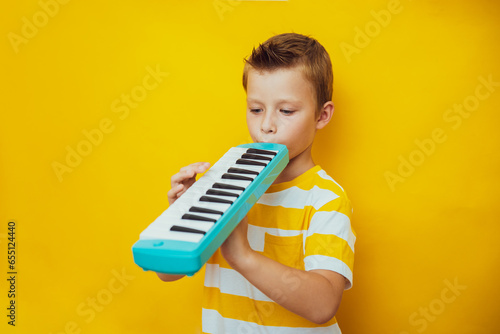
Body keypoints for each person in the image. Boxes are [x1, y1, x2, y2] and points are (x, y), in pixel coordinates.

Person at [157, 32, 355, 333]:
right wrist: (180, 220)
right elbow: (168, 272)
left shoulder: (325, 198)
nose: (266, 126)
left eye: (286, 111)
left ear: (321, 115)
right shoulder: (221, 186)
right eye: (256, 109)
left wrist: (242, 256)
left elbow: (323, 304)